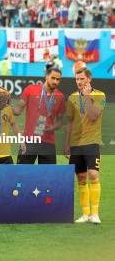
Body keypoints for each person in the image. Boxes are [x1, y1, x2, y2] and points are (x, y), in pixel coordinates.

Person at [64, 68, 105, 224]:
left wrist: (87, 97)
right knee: (81, 178)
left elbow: (94, 116)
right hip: (75, 144)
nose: (79, 82)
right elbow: (69, 122)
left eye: (82, 79)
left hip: (92, 142)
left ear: (89, 79)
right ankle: (85, 214)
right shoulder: (72, 98)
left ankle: (95, 213)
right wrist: (66, 144)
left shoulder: (100, 95)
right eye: (77, 79)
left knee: (93, 174)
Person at [14, 68, 65, 164]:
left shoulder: (60, 97)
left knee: (48, 177)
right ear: (46, 76)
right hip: (29, 140)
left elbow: (59, 122)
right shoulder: (30, 89)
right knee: (22, 174)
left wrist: (52, 127)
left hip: (48, 142)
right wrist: (6, 107)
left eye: (58, 79)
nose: (55, 81)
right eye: (53, 78)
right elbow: (17, 110)